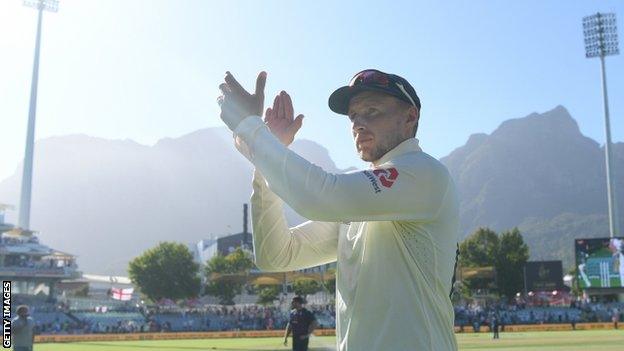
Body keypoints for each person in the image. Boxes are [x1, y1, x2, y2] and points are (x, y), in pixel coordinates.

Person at [217, 68, 459, 350]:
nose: (358, 123)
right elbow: (276, 256)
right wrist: (264, 164)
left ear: (409, 117)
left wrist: (252, 129)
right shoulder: (363, 202)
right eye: (353, 116)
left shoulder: (424, 173)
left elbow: (321, 197)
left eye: (372, 110)